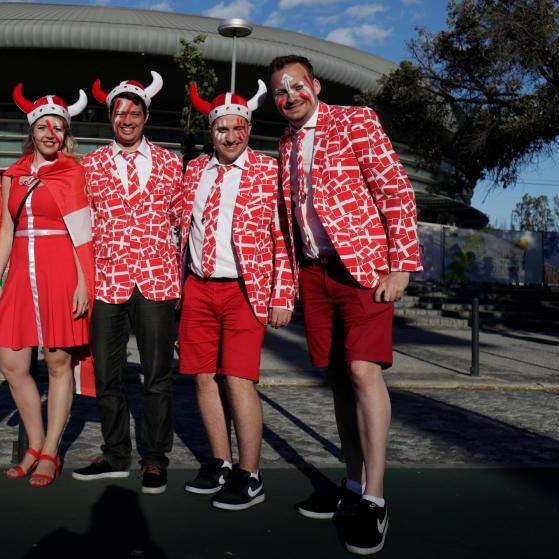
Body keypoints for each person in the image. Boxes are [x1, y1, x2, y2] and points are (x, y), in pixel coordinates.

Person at [269, 55, 422, 554]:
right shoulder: (286, 143)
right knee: (336, 378)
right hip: (316, 273)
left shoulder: (356, 120)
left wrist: (400, 264)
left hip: (364, 271)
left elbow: (395, 189)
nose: (290, 97)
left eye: (296, 87)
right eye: (280, 92)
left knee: (362, 372)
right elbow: (291, 220)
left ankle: (375, 499)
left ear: (314, 85)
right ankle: (352, 486)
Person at [178, 81, 295, 511]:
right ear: (211, 132)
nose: (230, 136)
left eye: (238, 128)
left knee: (239, 378)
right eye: (222, 129)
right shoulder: (194, 170)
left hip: (245, 290)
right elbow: (179, 227)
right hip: (197, 287)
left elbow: (282, 238)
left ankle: (251, 473)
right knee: (203, 377)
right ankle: (221, 463)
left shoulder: (268, 171)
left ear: (249, 128)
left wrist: (282, 295)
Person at [73, 71, 183, 495]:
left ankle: (155, 459)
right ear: (110, 118)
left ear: (146, 115)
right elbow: (83, 224)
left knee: (157, 376)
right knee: (107, 375)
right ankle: (116, 454)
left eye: (135, 111)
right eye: (120, 112)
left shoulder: (172, 162)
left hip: (156, 281)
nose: (127, 118)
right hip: (107, 282)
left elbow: (181, 222)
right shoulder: (92, 164)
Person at [0, 85, 95, 487]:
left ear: (66, 134)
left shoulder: (74, 173)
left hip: (61, 271)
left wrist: (85, 281)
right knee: (13, 364)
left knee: (57, 363)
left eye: (59, 128)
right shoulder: (12, 175)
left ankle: (51, 451)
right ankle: (33, 443)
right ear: (31, 129)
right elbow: (5, 229)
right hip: (19, 274)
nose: (51, 133)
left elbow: (86, 232)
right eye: (44, 126)